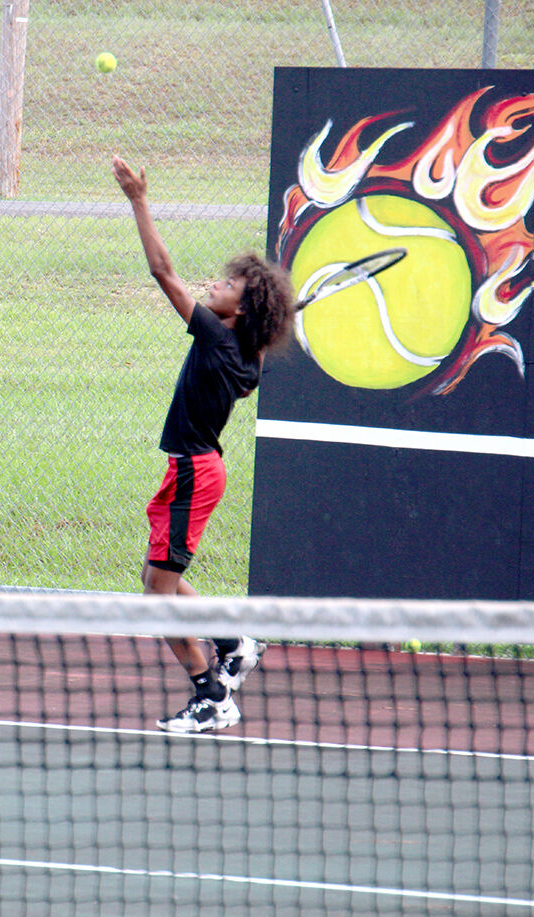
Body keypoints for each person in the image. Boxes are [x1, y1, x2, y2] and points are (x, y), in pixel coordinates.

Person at [112, 154, 296, 734]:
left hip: (195, 472)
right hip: (196, 469)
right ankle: (233, 640)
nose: (213, 283)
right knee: (154, 577)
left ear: (237, 310)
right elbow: (250, 358)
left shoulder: (219, 340)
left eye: (227, 284)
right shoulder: (250, 358)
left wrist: (138, 200)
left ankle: (212, 694)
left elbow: (163, 272)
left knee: (156, 599)